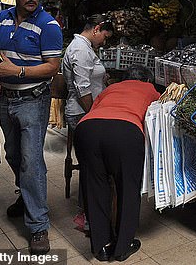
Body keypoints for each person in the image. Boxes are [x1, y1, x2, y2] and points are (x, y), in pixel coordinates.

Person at [0, 0, 63, 254]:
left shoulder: (49, 25)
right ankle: (27, 196)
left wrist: (17, 69)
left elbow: (52, 67)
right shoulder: (3, 19)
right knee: (14, 155)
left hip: (33, 99)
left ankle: (38, 226)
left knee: (31, 162)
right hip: (7, 98)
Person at [74, 65, 160, 262]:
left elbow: (95, 108)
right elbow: (158, 115)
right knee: (128, 189)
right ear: (147, 80)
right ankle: (122, 246)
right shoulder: (149, 89)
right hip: (125, 131)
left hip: (87, 129)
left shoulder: (110, 89)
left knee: (94, 186)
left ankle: (101, 246)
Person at [62, 14, 114, 230]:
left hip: (87, 112)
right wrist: (94, 115)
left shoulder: (85, 47)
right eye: (104, 36)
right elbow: (83, 89)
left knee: (91, 163)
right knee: (93, 165)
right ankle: (89, 214)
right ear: (97, 28)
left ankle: (92, 210)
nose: (104, 41)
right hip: (82, 114)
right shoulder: (81, 50)